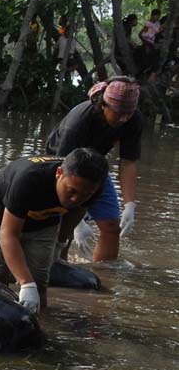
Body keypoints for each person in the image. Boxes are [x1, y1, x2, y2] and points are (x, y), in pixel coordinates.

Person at [0, 149, 109, 314]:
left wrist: (60, 242)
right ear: (59, 173)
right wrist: (25, 283)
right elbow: (9, 235)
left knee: (39, 284)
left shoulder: (94, 186)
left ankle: (39, 325)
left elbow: (77, 210)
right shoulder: (28, 179)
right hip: (1, 217)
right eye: (71, 191)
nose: (76, 199)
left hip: (45, 221)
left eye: (86, 194)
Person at [45, 76, 142, 261]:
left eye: (128, 114)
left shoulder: (133, 119)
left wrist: (130, 203)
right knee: (64, 231)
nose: (123, 118)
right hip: (61, 167)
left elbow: (128, 162)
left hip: (95, 167)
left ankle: (104, 276)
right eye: (119, 113)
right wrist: (77, 221)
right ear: (103, 105)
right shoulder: (79, 121)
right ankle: (59, 269)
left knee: (112, 227)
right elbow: (61, 167)